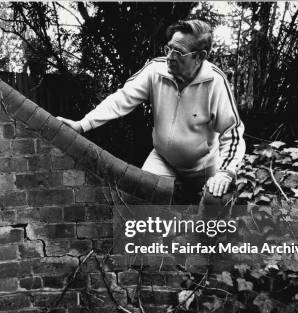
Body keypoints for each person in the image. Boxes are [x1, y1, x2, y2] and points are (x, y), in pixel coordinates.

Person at [57, 19, 245, 203]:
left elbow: (233, 131)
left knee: (213, 207)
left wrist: (225, 172)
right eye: (169, 48)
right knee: (141, 201)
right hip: (163, 160)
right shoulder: (155, 70)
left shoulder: (215, 82)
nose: (170, 56)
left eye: (179, 52)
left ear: (200, 57)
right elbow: (120, 99)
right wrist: (81, 125)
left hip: (203, 166)